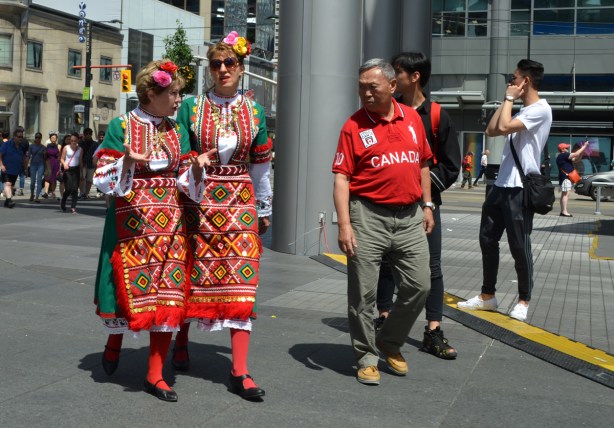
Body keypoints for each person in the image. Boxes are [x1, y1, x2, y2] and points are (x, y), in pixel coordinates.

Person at [93, 59, 213, 402]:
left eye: (179, 93)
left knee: (168, 297)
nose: (178, 100)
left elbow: (184, 181)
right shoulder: (121, 126)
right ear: (150, 93)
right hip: (131, 223)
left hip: (170, 224)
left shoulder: (178, 130)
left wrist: (197, 170)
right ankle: (114, 342)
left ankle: (155, 374)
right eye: (173, 93)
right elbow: (101, 178)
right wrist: (127, 161)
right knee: (125, 291)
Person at [174, 30, 272, 400]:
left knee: (242, 278)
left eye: (229, 62)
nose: (222, 69)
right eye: (216, 64)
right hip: (198, 199)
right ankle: (180, 343)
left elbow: (261, 164)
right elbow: (181, 152)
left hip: (239, 201)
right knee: (189, 271)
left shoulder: (254, 110)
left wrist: (264, 206)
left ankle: (240, 369)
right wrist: (193, 164)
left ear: (241, 68)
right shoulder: (190, 108)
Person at [332, 58, 433, 385]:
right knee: (363, 295)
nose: (365, 93)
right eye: (361, 87)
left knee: (420, 286)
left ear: (392, 86)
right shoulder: (353, 126)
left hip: (409, 216)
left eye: (372, 87)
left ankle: (390, 342)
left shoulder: (413, 119)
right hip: (367, 216)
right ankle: (366, 356)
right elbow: (341, 179)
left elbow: (422, 166)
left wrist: (428, 205)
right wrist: (345, 224)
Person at [374, 51, 461, 360]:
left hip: (425, 205)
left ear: (415, 77)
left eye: (397, 72)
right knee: (385, 263)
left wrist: (421, 191)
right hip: (387, 204)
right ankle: (382, 320)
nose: (392, 79)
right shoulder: (386, 110)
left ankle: (432, 330)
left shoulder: (437, 115)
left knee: (431, 268)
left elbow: (450, 167)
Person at [458, 59, 553, 322]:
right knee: (487, 240)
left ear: (526, 81)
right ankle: (488, 296)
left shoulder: (541, 110)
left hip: (520, 188)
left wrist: (509, 99)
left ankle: (523, 299)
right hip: (501, 185)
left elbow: (501, 127)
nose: (510, 82)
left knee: (519, 245)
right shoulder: (520, 110)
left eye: (514, 78)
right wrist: (507, 100)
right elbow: (491, 129)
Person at [556, 141, 589, 217]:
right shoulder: (563, 155)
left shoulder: (563, 156)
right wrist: (584, 146)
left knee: (565, 194)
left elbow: (576, 160)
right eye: (566, 148)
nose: (568, 149)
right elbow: (576, 154)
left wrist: (582, 152)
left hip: (565, 178)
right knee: (566, 194)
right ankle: (564, 211)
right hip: (566, 178)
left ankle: (563, 211)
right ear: (563, 149)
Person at [0, 126, 27, 208]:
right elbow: (0, 155)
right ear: (14, 136)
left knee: (11, 185)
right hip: (6, 168)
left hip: (15, 169)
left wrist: (25, 168)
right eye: (18, 136)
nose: (20, 138)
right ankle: (9, 201)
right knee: (7, 184)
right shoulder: (7, 144)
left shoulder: (22, 146)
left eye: (21, 137)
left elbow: (24, 157)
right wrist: (1, 165)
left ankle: (7, 201)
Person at [59, 133, 83, 214]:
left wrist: (82, 173)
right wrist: (64, 164)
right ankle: (63, 200)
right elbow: (62, 159)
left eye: (74, 141)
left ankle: (73, 207)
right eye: (71, 140)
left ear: (77, 141)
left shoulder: (80, 149)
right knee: (68, 188)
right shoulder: (66, 148)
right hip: (68, 169)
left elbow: (80, 162)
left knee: (75, 189)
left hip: (76, 169)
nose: (73, 142)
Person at [79, 127, 98, 199]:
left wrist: (96, 165)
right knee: (82, 179)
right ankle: (81, 193)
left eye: (89, 134)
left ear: (91, 134)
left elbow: (97, 155)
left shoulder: (95, 144)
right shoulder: (81, 143)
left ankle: (86, 193)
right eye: (86, 134)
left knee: (89, 180)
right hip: (83, 163)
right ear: (84, 134)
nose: (88, 135)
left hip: (91, 164)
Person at [42, 132, 61, 199]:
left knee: (53, 179)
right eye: (52, 138)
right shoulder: (47, 145)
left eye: (55, 138)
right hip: (48, 162)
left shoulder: (58, 146)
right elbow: (45, 155)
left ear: (56, 139)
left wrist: (60, 165)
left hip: (55, 163)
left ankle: (53, 192)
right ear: (50, 138)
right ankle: (46, 192)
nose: (53, 139)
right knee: (47, 178)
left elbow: (59, 156)